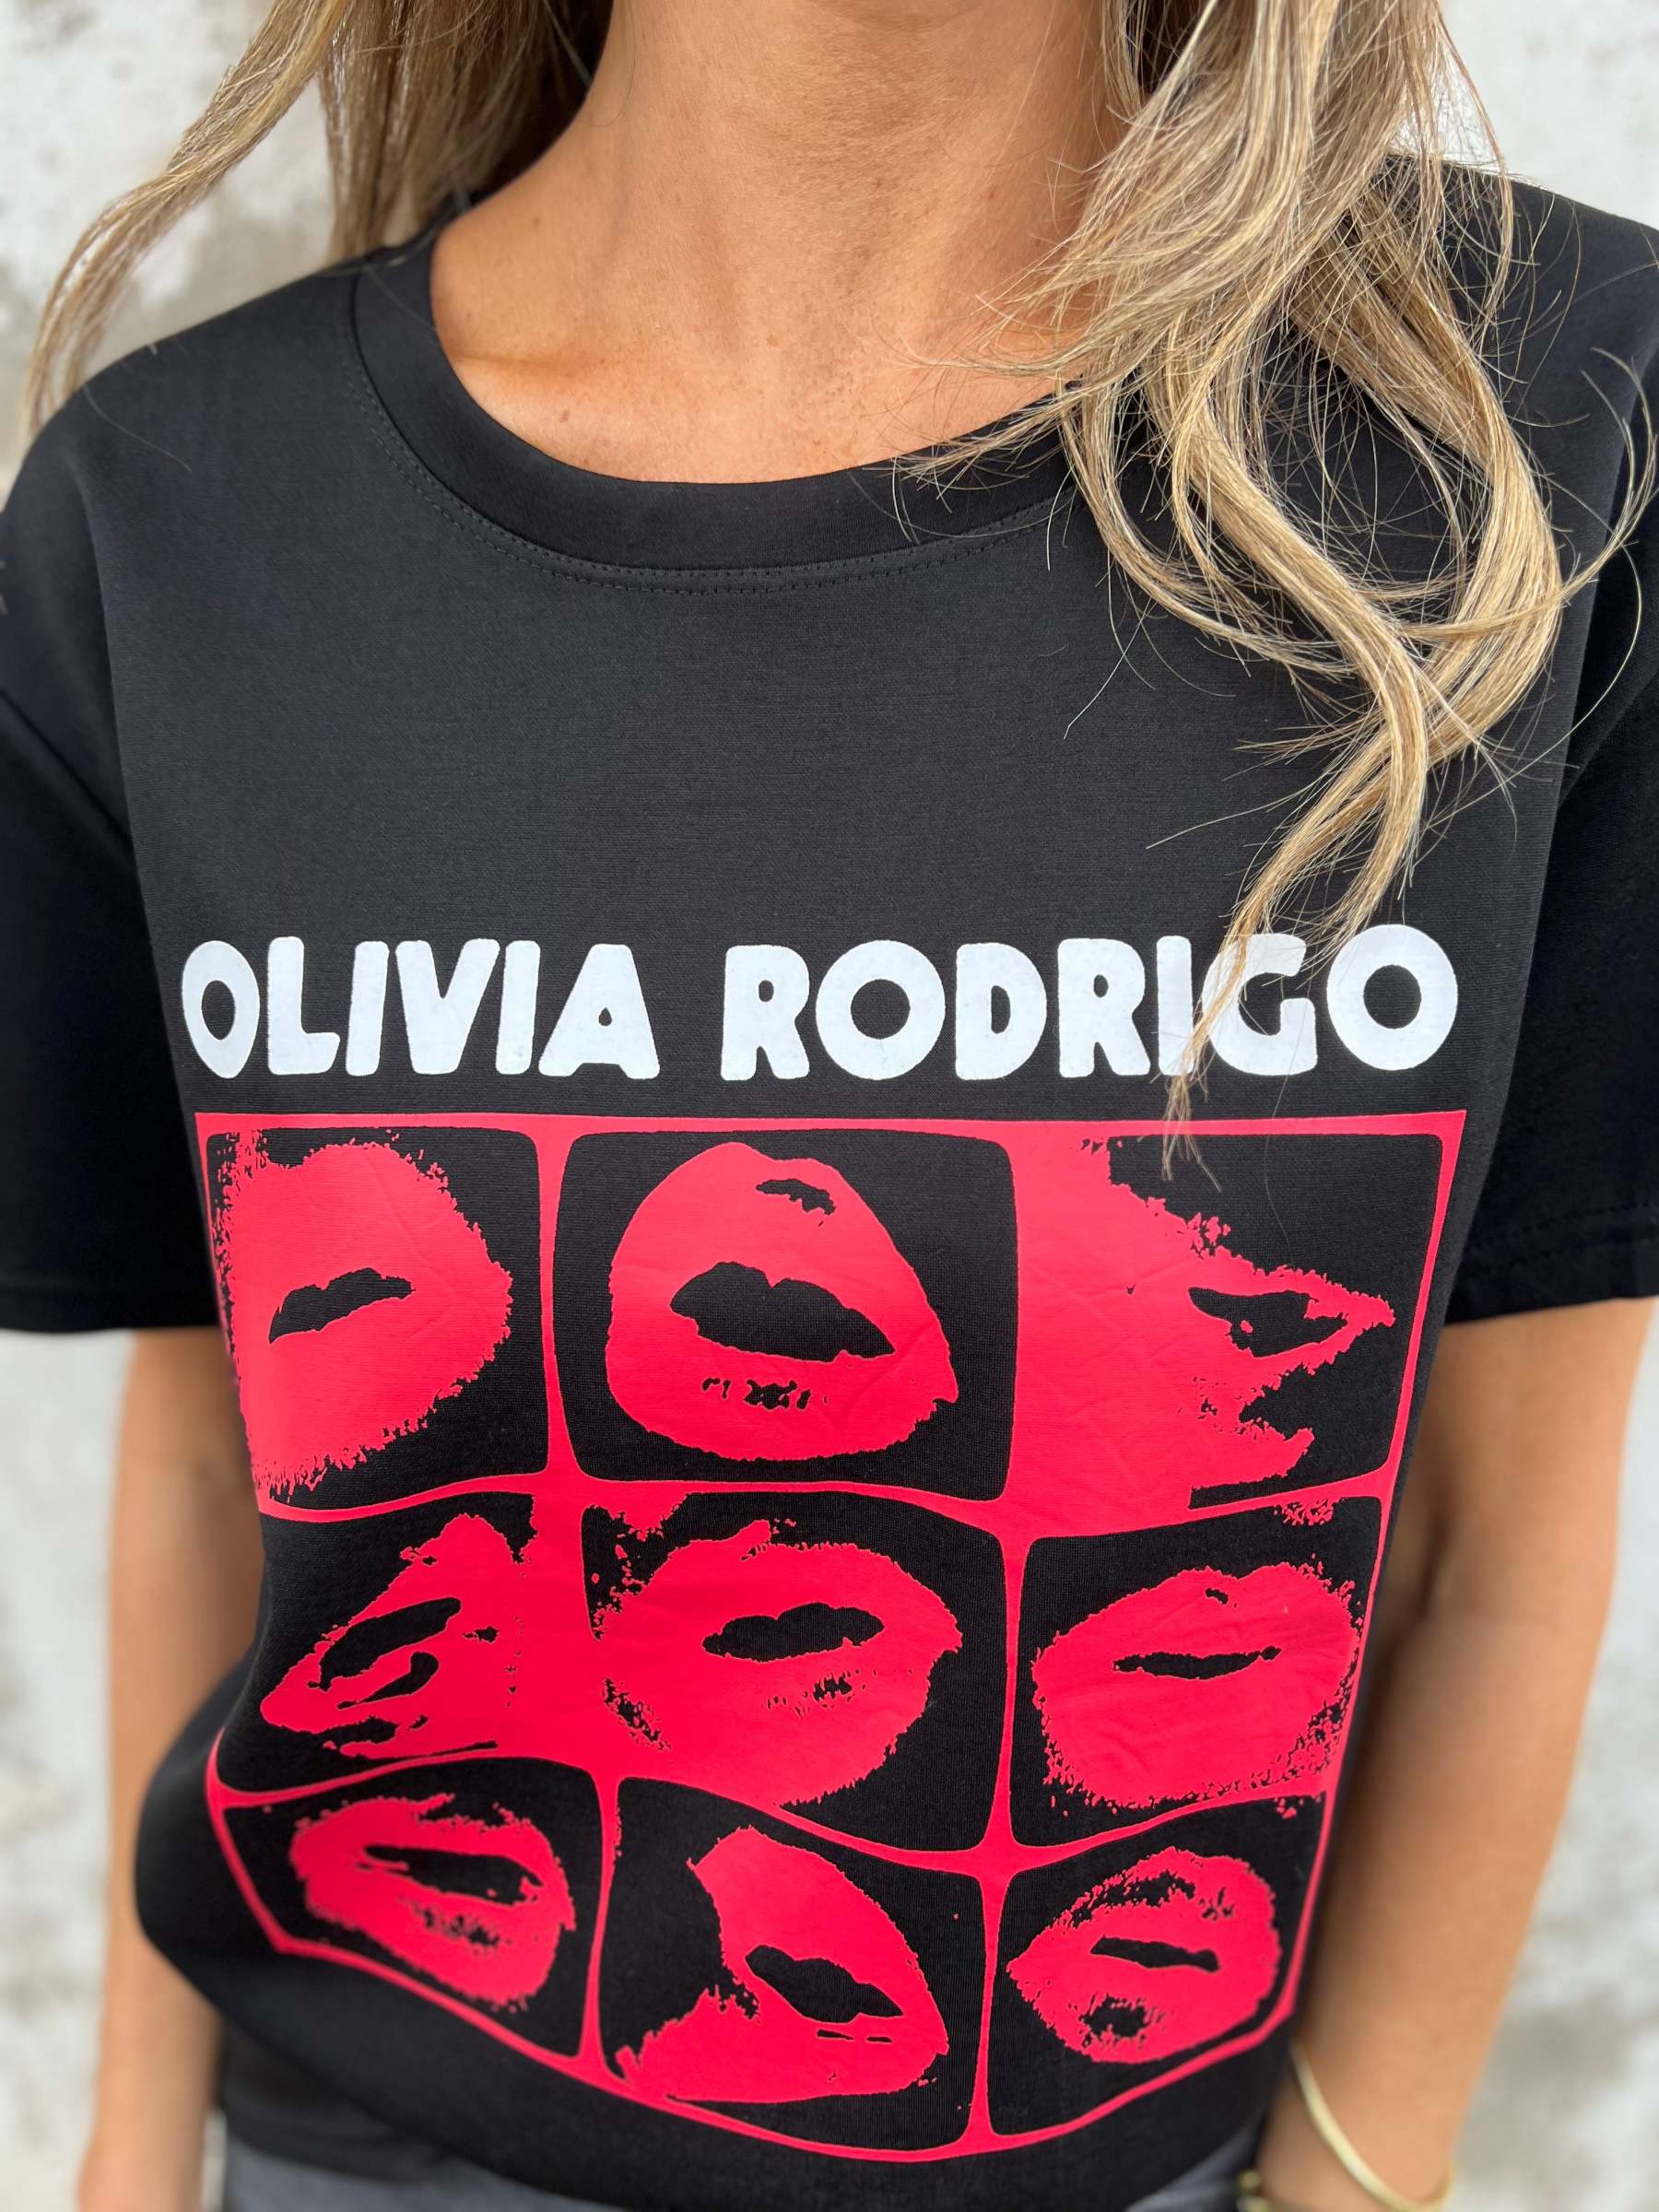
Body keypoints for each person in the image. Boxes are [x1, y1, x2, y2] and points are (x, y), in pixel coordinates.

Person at [4, 3, 1656, 2209]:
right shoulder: (181, 514)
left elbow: (1489, 1536)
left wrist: (1349, 2184)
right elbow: (226, 1445)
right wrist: (128, 2163)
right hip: (354, 2139)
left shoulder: (1540, 434)